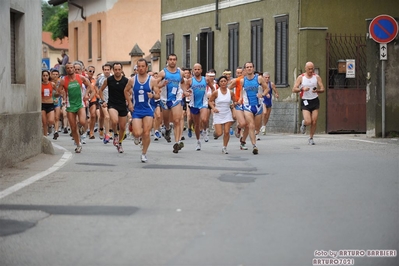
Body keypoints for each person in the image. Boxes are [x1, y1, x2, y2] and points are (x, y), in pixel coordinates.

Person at [124, 59, 160, 162]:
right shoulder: (132, 80)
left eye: (142, 66)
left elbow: (158, 94)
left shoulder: (152, 80)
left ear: (146, 67)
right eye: (138, 66)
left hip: (148, 109)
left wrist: (153, 95)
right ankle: (132, 127)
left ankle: (144, 153)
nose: (140, 68)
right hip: (137, 109)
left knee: (146, 132)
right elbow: (126, 91)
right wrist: (130, 103)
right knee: (137, 132)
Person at [56, 62, 93, 153]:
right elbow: (58, 91)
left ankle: (80, 128)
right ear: (66, 70)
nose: (70, 69)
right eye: (68, 68)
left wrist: (86, 95)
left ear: (74, 68)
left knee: (83, 121)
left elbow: (89, 86)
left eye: (71, 67)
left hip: (80, 104)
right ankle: (78, 144)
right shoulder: (63, 80)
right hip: (70, 105)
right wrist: (62, 94)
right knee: (73, 127)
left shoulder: (80, 77)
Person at [157, 54, 188, 153]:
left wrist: (185, 91)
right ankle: (166, 129)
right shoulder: (163, 73)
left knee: (177, 120)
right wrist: (162, 84)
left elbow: (182, 82)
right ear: (167, 61)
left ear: (176, 61)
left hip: (176, 98)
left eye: (174, 59)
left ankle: (177, 142)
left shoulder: (180, 72)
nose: (172, 61)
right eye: (170, 59)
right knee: (166, 120)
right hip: (165, 99)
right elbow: (155, 84)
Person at [240, 62, 270, 155]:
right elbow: (241, 92)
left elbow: (267, 89)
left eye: (250, 67)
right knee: (251, 125)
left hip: (258, 106)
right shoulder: (242, 81)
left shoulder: (259, 78)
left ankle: (243, 140)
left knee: (257, 127)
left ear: (253, 68)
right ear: (245, 69)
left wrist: (263, 94)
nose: (249, 68)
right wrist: (239, 100)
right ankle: (254, 145)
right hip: (247, 106)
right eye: (247, 67)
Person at [99, 62, 129, 153]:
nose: (117, 71)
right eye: (115, 70)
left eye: (119, 69)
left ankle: (120, 143)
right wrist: (103, 101)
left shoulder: (125, 80)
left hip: (122, 105)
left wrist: (129, 100)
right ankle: (115, 134)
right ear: (113, 70)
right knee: (115, 121)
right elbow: (100, 90)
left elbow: (129, 91)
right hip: (112, 104)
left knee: (123, 127)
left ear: (121, 70)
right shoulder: (109, 80)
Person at [293, 61, 325, 145]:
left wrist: (317, 90)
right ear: (305, 68)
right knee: (308, 121)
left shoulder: (316, 77)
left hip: (314, 100)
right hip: (305, 100)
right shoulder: (301, 77)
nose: (311, 71)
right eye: (309, 69)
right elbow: (294, 89)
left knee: (314, 121)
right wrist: (302, 89)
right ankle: (304, 123)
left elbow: (322, 89)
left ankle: (311, 138)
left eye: (312, 69)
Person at [186, 63, 215, 150]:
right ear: (193, 71)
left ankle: (205, 131)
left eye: (199, 69)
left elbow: (213, 88)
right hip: (194, 104)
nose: (197, 71)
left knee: (204, 119)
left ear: (201, 70)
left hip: (203, 103)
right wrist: (187, 93)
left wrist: (212, 96)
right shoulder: (190, 81)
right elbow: (186, 90)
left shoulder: (206, 79)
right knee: (197, 125)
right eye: (195, 69)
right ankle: (198, 141)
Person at [209, 75, 235, 154]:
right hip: (218, 113)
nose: (223, 83)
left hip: (227, 113)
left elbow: (235, 101)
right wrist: (214, 108)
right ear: (219, 83)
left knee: (226, 132)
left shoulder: (230, 92)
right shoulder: (216, 92)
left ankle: (224, 147)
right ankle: (215, 134)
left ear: (227, 82)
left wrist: (234, 104)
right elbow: (210, 101)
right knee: (220, 133)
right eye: (221, 81)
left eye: (224, 81)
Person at [228, 66, 249, 150]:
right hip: (238, 103)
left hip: (249, 104)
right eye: (239, 72)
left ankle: (243, 142)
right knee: (242, 123)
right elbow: (228, 89)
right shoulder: (237, 81)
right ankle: (239, 127)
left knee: (248, 125)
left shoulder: (252, 80)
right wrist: (233, 101)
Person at [96, 63, 112, 143]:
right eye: (105, 70)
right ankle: (102, 129)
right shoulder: (100, 78)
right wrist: (98, 95)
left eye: (108, 70)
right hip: (103, 100)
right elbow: (96, 87)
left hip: (111, 100)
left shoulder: (113, 78)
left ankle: (107, 134)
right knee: (103, 116)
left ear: (110, 70)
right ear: (103, 70)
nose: (106, 71)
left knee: (107, 117)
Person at [41, 70, 56, 138]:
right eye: (44, 76)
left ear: (49, 76)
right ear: (42, 76)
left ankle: (50, 127)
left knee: (51, 120)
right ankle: (45, 136)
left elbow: (57, 91)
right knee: (44, 122)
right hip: (42, 104)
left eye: (46, 75)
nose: (45, 77)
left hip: (50, 103)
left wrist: (56, 97)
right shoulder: (40, 85)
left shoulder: (52, 84)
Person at [50, 69, 61, 139]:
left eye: (56, 74)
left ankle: (56, 131)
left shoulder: (60, 83)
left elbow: (62, 91)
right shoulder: (49, 83)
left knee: (57, 117)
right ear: (51, 75)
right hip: (50, 101)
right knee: (52, 118)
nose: (55, 76)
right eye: (54, 74)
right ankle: (52, 126)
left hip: (58, 101)